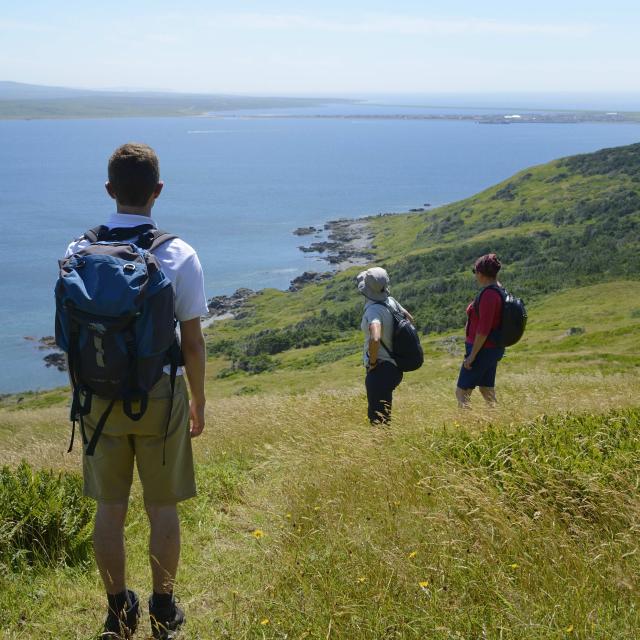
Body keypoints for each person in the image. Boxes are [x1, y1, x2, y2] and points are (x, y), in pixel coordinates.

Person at [63, 143, 208, 639]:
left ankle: (116, 611)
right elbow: (192, 341)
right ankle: (163, 609)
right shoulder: (178, 253)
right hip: (160, 394)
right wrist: (199, 399)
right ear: (158, 191)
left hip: (97, 400)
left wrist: (81, 396)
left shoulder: (77, 252)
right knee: (161, 507)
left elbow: (71, 337)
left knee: (110, 507)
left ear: (109, 190)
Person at [357, 267, 414, 425]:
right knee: (383, 416)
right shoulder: (391, 301)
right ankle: (384, 444)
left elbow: (375, 338)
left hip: (381, 370)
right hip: (395, 368)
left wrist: (373, 362)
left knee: (378, 421)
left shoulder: (373, 311)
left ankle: (381, 447)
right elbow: (409, 319)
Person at [456, 253, 505, 408]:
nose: (475, 275)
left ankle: (465, 428)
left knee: (462, 392)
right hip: (492, 349)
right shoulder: (499, 290)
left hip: (483, 349)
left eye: (475, 271)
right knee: (486, 389)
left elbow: (483, 330)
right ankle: (497, 421)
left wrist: (472, 356)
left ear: (481, 273)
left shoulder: (489, 295)